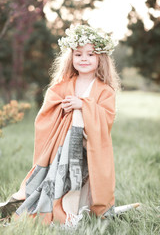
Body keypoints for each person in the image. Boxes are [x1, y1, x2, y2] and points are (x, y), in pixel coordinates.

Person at [0, 24, 121, 228]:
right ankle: (60, 210)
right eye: (78, 54)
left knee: (86, 184)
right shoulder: (61, 86)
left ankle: (81, 210)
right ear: (71, 58)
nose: (84, 59)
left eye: (90, 54)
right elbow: (47, 113)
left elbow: (106, 117)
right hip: (60, 150)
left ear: (101, 58)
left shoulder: (105, 91)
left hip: (88, 149)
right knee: (59, 181)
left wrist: (83, 105)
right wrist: (66, 109)